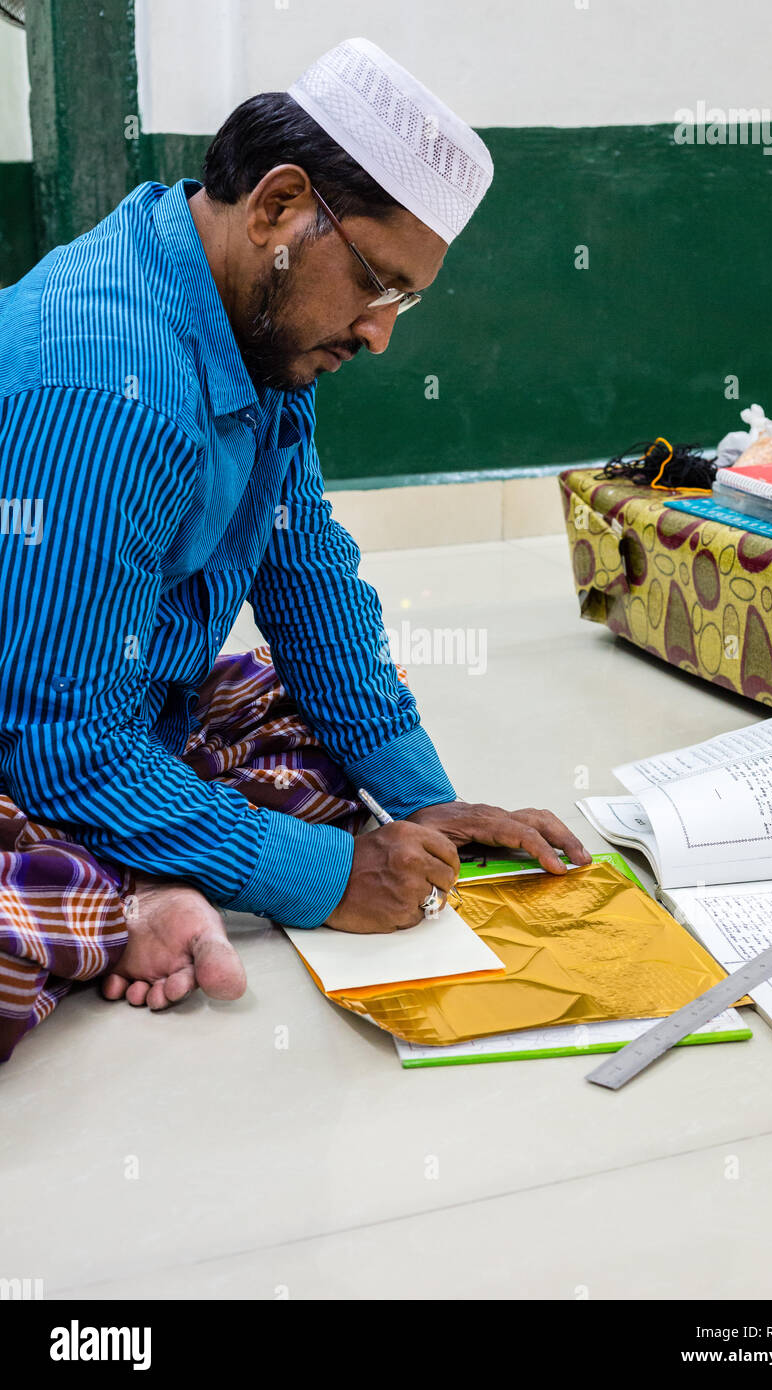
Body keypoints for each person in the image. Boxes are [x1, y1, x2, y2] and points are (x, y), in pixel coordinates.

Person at [0, 37, 589, 1063]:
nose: (378, 335)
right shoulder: (107, 382)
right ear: (276, 207)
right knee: (70, 855)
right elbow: (62, 744)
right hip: (35, 729)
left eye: (404, 300)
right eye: (374, 283)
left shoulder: (251, 327)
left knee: (312, 707)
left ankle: (133, 885)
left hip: (100, 686)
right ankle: (104, 899)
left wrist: (418, 798)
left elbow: (306, 571)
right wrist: (332, 879)